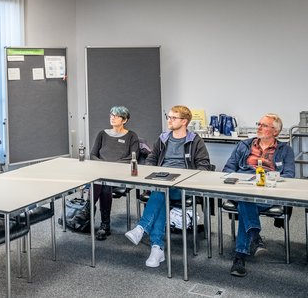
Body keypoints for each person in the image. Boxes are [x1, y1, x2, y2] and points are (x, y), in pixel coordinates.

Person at [125, 105, 211, 267]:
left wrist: (187, 177)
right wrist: (151, 170)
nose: (169, 120)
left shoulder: (195, 141)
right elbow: (151, 158)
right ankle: (157, 248)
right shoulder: (163, 138)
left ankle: (142, 229)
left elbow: (204, 166)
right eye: (168, 117)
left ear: (184, 121)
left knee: (160, 193)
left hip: (183, 186)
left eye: (173, 118)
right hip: (162, 181)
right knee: (161, 192)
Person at [223, 113, 295, 277]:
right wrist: (238, 180)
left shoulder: (285, 150)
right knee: (246, 198)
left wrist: (269, 180)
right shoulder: (244, 145)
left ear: (275, 131)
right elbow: (228, 168)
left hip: (267, 191)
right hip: (242, 188)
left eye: (264, 125)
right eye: (259, 124)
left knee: (246, 203)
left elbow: (289, 175)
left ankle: (241, 256)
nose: (259, 127)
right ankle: (253, 239)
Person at [88, 106, 139, 240]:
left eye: (116, 116)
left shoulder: (131, 136)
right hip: (101, 172)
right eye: (111, 115)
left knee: (101, 182)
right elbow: (92, 155)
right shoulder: (102, 134)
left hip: (119, 174)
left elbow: (133, 157)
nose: (112, 118)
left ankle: (89, 212)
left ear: (125, 120)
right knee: (101, 182)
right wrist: (103, 166)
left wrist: (111, 167)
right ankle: (104, 224)